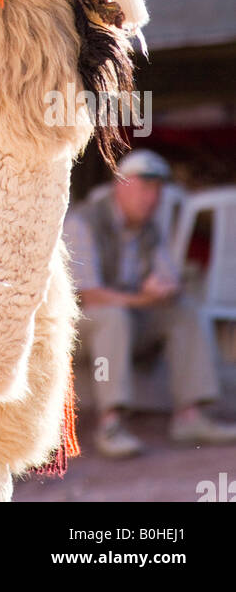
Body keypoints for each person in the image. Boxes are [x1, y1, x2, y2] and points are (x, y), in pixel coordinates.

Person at [64, 149, 236, 458]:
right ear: (120, 185)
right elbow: (89, 296)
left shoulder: (149, 228)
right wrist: (143, 298)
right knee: (112, 316)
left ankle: (190, 416)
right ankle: (111, 424)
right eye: (144, 187)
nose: (152, 197)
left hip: (130, 318)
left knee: (183, 311)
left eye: (157, 189)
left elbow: (168, 277)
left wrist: (167, 289)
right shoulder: (85, 222)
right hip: (82, 331)